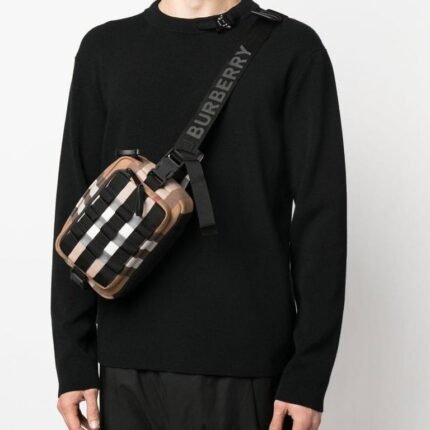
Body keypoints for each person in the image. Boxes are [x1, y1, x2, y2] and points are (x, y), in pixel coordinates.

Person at [51, 0, 347, 429]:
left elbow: (323, 218)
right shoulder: (105, 48)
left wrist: (308, 374)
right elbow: (75, 205)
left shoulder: (292, 48)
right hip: (125, 364)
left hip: (246, 361)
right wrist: (73, 360)